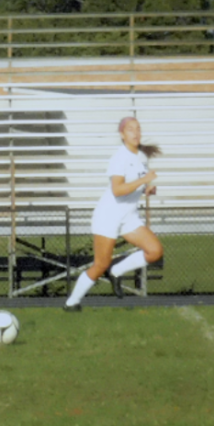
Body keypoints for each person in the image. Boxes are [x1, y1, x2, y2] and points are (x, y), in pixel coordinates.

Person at [64, 116, 163, 311]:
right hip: (108, 216)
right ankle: (71, 303)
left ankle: (116, 272)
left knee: (155, 251)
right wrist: (143, 182)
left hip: (128, 216)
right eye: (130, 129)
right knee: (100, 265)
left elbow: (132, 185)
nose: (135, 133)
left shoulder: (140, 157)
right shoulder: (120, 156)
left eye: (138, 129)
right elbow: (117, 190)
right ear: (122, 134)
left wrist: (146, 190)